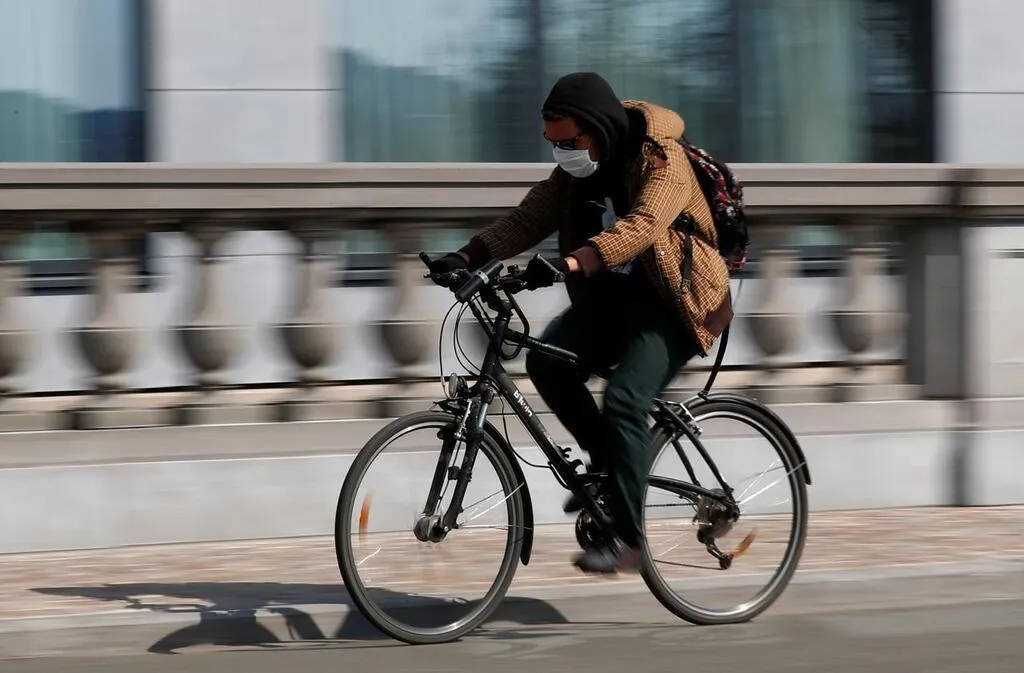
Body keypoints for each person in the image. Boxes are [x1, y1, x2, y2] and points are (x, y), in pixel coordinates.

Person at [428, 72, 733, 574]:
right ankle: (611, 469)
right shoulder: (578, 170)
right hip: (615, 301)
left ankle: (630, 540)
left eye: (570, 141)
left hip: (676, 305)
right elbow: (528, 219)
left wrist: (575, 261)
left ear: (596, 127)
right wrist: (465, 255)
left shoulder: (662, 159)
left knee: (625, 400)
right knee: (547, 365)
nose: (562, 151)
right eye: (553, 143)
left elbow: (644, 226)